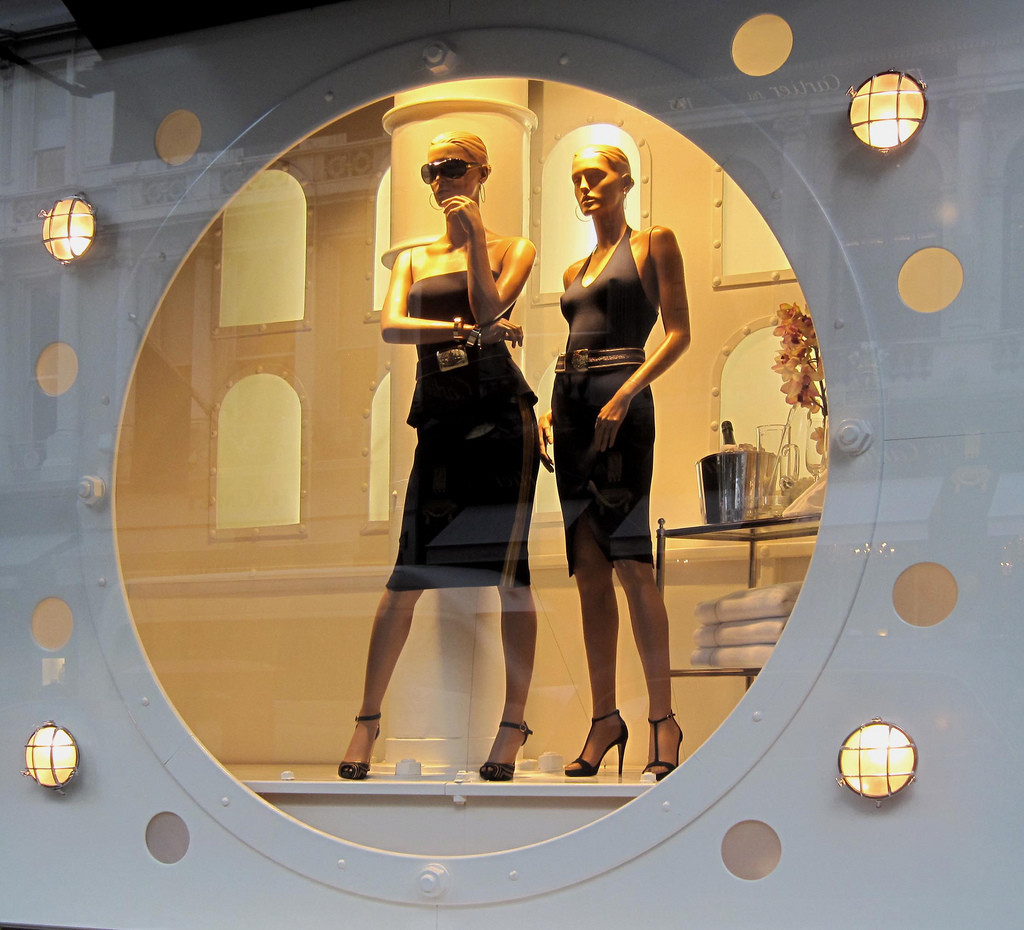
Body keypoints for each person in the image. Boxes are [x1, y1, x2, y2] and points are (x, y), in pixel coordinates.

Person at [339, 132, 540, 782]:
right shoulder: (413, 259)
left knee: (512, 577)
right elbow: (395, 326)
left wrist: (477, 239)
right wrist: (464, 332)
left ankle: (512, 724)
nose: (440, 180)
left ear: (482, 171)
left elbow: (491, 305)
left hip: (501, 415)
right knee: (406, 576)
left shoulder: (516, 247)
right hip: (442, 415)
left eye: (452, 167)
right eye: (431, 170)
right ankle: (366, 720)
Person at [538, 144, 691, 781]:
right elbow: (575, 339)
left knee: (632, 562)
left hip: (621, 406)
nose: (585, 186)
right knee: (589, 572)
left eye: (595, 175)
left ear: (625, 180)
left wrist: (627, 394)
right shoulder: (577, 267)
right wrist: (549, 411)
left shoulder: (655, 243)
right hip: (570, 409)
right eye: (576, 179)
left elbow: (679, 332)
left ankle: (663, 719)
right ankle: (605, 717)